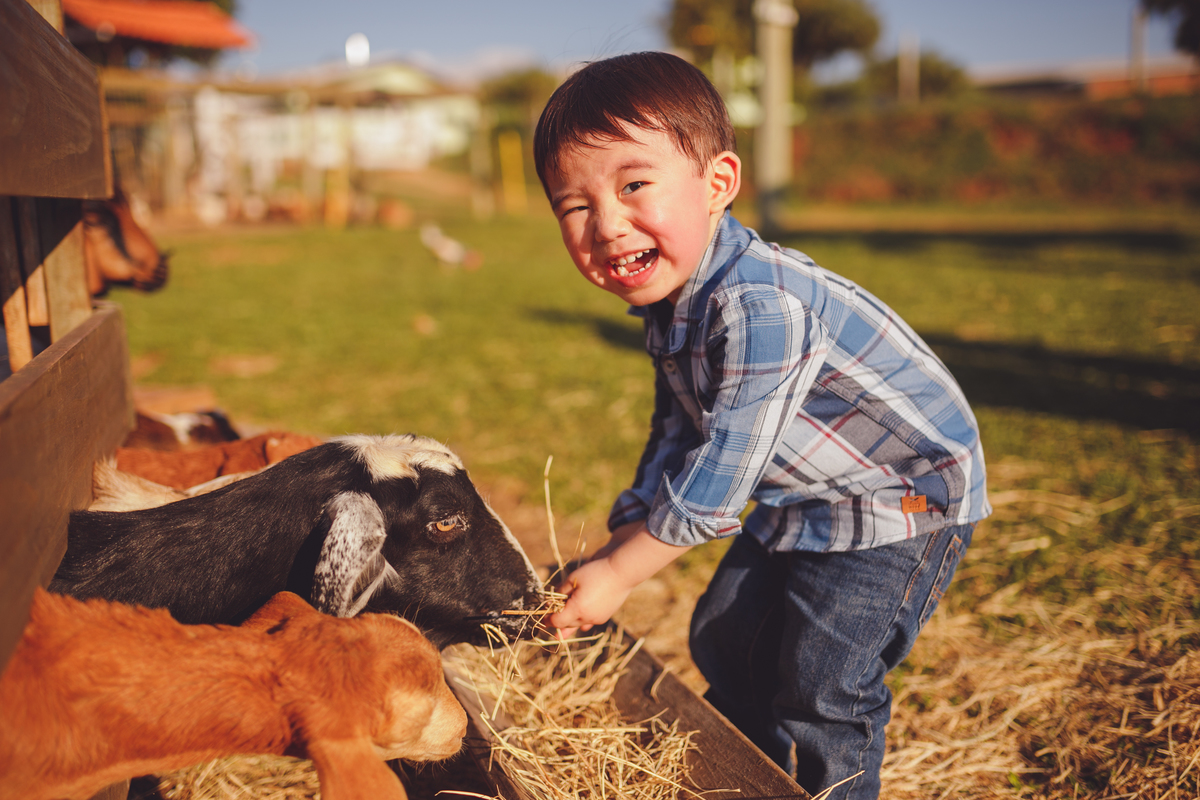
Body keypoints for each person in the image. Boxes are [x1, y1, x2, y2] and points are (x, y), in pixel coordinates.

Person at [537, 51, 991, 800]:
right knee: (725, 638)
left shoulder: (759, 306)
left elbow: (722, 469)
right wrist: (626, 532)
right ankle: (737, 771)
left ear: (717, 185)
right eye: (574, 206)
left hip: (898, 499)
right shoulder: (671, 309)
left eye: (634, 185)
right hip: (807, 492)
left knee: (824, 684)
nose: (607, 224)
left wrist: (620, 575)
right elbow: (679, 431)